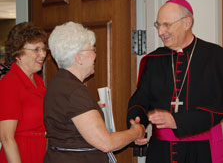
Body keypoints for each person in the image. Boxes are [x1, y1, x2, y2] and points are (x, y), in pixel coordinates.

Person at [127, 0, 223, 163]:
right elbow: (141, 100)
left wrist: (177, 121)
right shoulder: (154, 60)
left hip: (201, 151)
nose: (160, 32)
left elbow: (221, 107)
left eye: (166, 25)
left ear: (187, 23)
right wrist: (137, 125)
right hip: (160, 152)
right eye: (158, 25)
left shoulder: (215, 57)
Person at [43, 21, 145, 163]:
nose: (95, 56)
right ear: (79, 57)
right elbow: (106, 143)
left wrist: (93, 110)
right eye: (93, 50)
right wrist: (136, 132)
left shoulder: (59, 84)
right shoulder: (74, 92)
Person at [0, 22, 48, 163]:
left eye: (44, 49)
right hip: (20, 155)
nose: (43, 54)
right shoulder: (10, 83)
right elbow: (6, 137)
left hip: (41, 152)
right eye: (36, 49)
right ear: (18, 53)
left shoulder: (39, 82)